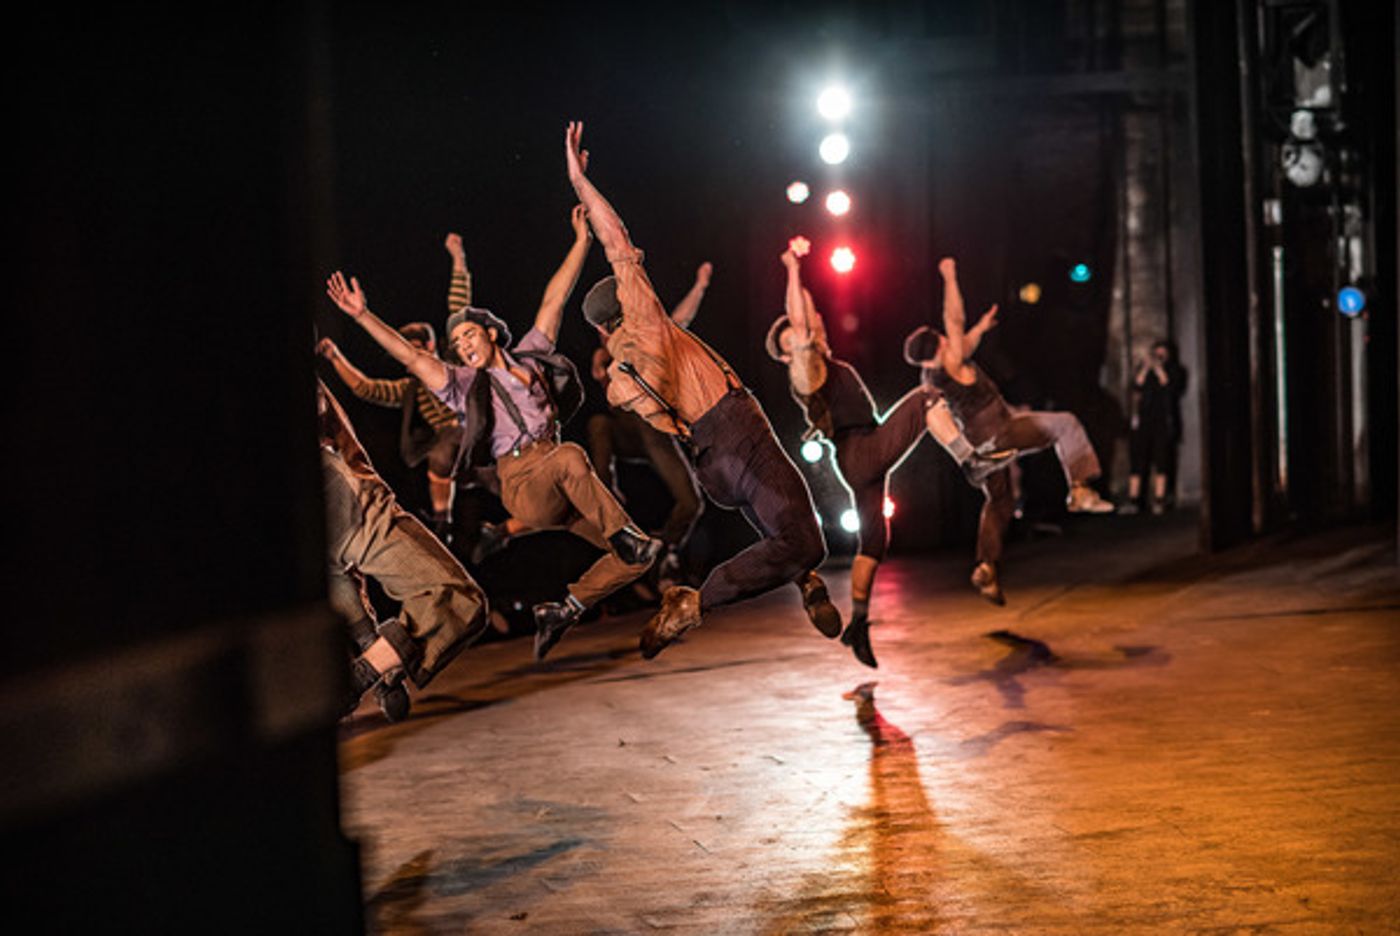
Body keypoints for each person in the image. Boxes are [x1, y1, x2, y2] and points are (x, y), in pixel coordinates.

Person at [325, 204, 662, 662]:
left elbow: (553, 301)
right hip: (524, 482)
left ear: (490, 333)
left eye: (468, 336)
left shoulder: (529, 356)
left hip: (560, 482)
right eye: (457, 345)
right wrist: (363, 316)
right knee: (572, 458)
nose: (463, 347)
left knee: (637, 555)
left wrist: (582, 241)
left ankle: (565, 608)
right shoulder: (462, 386)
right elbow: (410, 357)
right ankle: (599, 531)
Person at [563, 120, 841, 659]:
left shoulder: (622, 372)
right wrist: (579, 180)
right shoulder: (645, 322)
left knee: (778, 526)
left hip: (708, 463)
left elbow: (653, 387)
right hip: (737, 431)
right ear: (620, 309)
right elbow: (615, 239)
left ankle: (804, 580)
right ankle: (695, 601)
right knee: (806, 537)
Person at [766, 238, 1013, 668]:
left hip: (857, 458)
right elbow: (801, 320)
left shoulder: (823, 357)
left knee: (875, 541)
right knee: (925, 398)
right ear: (791, 349)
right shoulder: (804, 372)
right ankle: (971, 463)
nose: (812, 328)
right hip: (861, 450)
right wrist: (791, 268)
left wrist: (802, 276)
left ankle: (858, 625)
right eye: (801, 332)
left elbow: (810, 316)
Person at [904, 257, 1114, 605]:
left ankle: (986, 567)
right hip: (1001, 432)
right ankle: (1079, 488)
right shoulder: (950, 357)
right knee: (1066, 424)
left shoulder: (933, 375)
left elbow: (964, 342)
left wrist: (983, 327)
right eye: (945, 339)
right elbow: (954, 318)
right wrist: (950, 276)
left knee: (999, 502)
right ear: (939, 345)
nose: (950, 340)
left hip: (980, 451)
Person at [318, 380, 488, 722]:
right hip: (344, 499)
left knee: (338, 579)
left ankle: (383, 668)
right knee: (458, 598)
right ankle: (360, 678)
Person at [586, 261, 711, 588]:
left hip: (655, 431)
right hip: (626, 433)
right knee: (599, 424)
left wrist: (700, 285)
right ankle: (605, 499)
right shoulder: (603, 354)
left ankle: (667, 551)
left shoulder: (647, 335)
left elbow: (679, 320)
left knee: (692, 501)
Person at [317, 323, 462, 542]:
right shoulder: (411, 389)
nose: (408, 359)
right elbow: (366, 388)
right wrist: (335, 357)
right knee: (439, 454)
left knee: (446, 442)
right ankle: (444, 521)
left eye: (413, 350)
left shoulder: (453, 367)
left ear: (430, 346)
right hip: (450, 451)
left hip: (470, 431)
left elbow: (460, 308)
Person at [1124, 340, 1184, 515]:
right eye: (1156, 354)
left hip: (1162, 422)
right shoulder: (1145, 372)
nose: (1158, 358)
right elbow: (1137, 385)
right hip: (1143, 422)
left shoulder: (1173, 371)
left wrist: (1159, 369)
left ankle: (1160, 498)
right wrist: (1146, 367)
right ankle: (1134, 499)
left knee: (1162, 460)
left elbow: (1170, 386)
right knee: (1138, 459)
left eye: (1161, 355)